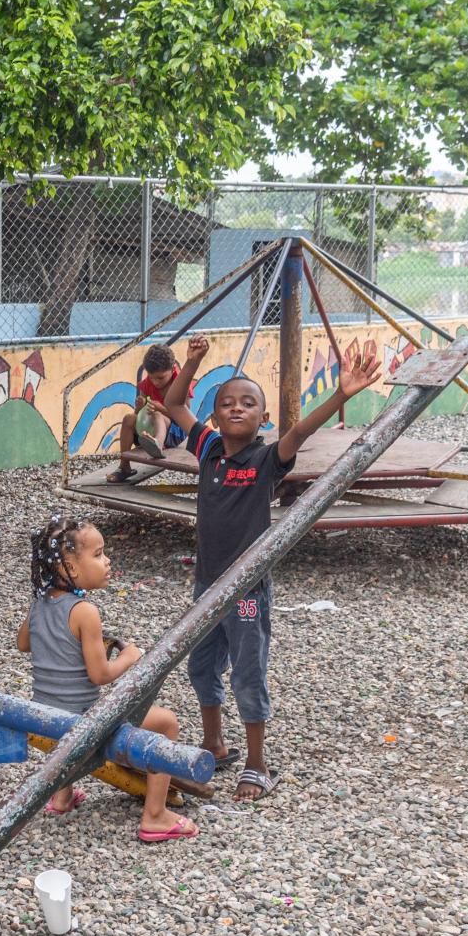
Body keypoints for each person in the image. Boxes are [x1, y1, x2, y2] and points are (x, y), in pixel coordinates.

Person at [161, 335, 381, 801]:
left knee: (246, 672)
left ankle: (257, 764)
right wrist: (192, 361)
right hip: (207, 582)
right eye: (226, 403)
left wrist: (341, 394)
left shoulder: (265, 459)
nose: (236, 408)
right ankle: (214, 743)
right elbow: (174, 402)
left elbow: (299, 433)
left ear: (263, 418)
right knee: (202, 667)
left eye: (248, 403)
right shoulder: (208, 450)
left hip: (245, 592)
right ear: (216, 416)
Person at [20, 516, 194, 843]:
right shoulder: (85, 611)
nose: (107, 561)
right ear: (69, 565)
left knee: (74, 702)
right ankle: (155, 816)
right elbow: (100, 675)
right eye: (98, 554)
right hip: (81, 725)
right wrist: (129, 657)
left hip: (43, 719)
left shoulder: (40, 602)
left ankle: (62, 797)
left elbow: (23, 644)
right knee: (167, 723)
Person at [107, 343, 187, 482]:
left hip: (175, 432)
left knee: (157, 415)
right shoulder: (148, 383)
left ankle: (158, 445)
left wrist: (160, 409)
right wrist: (139, 407)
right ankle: (124, 466)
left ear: (173, 368)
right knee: (128, 418)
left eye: (160, 378)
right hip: (147, 433)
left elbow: (184, 416)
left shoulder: (180, 383)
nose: (155, 382)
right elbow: (139, 415)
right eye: (151, 377)